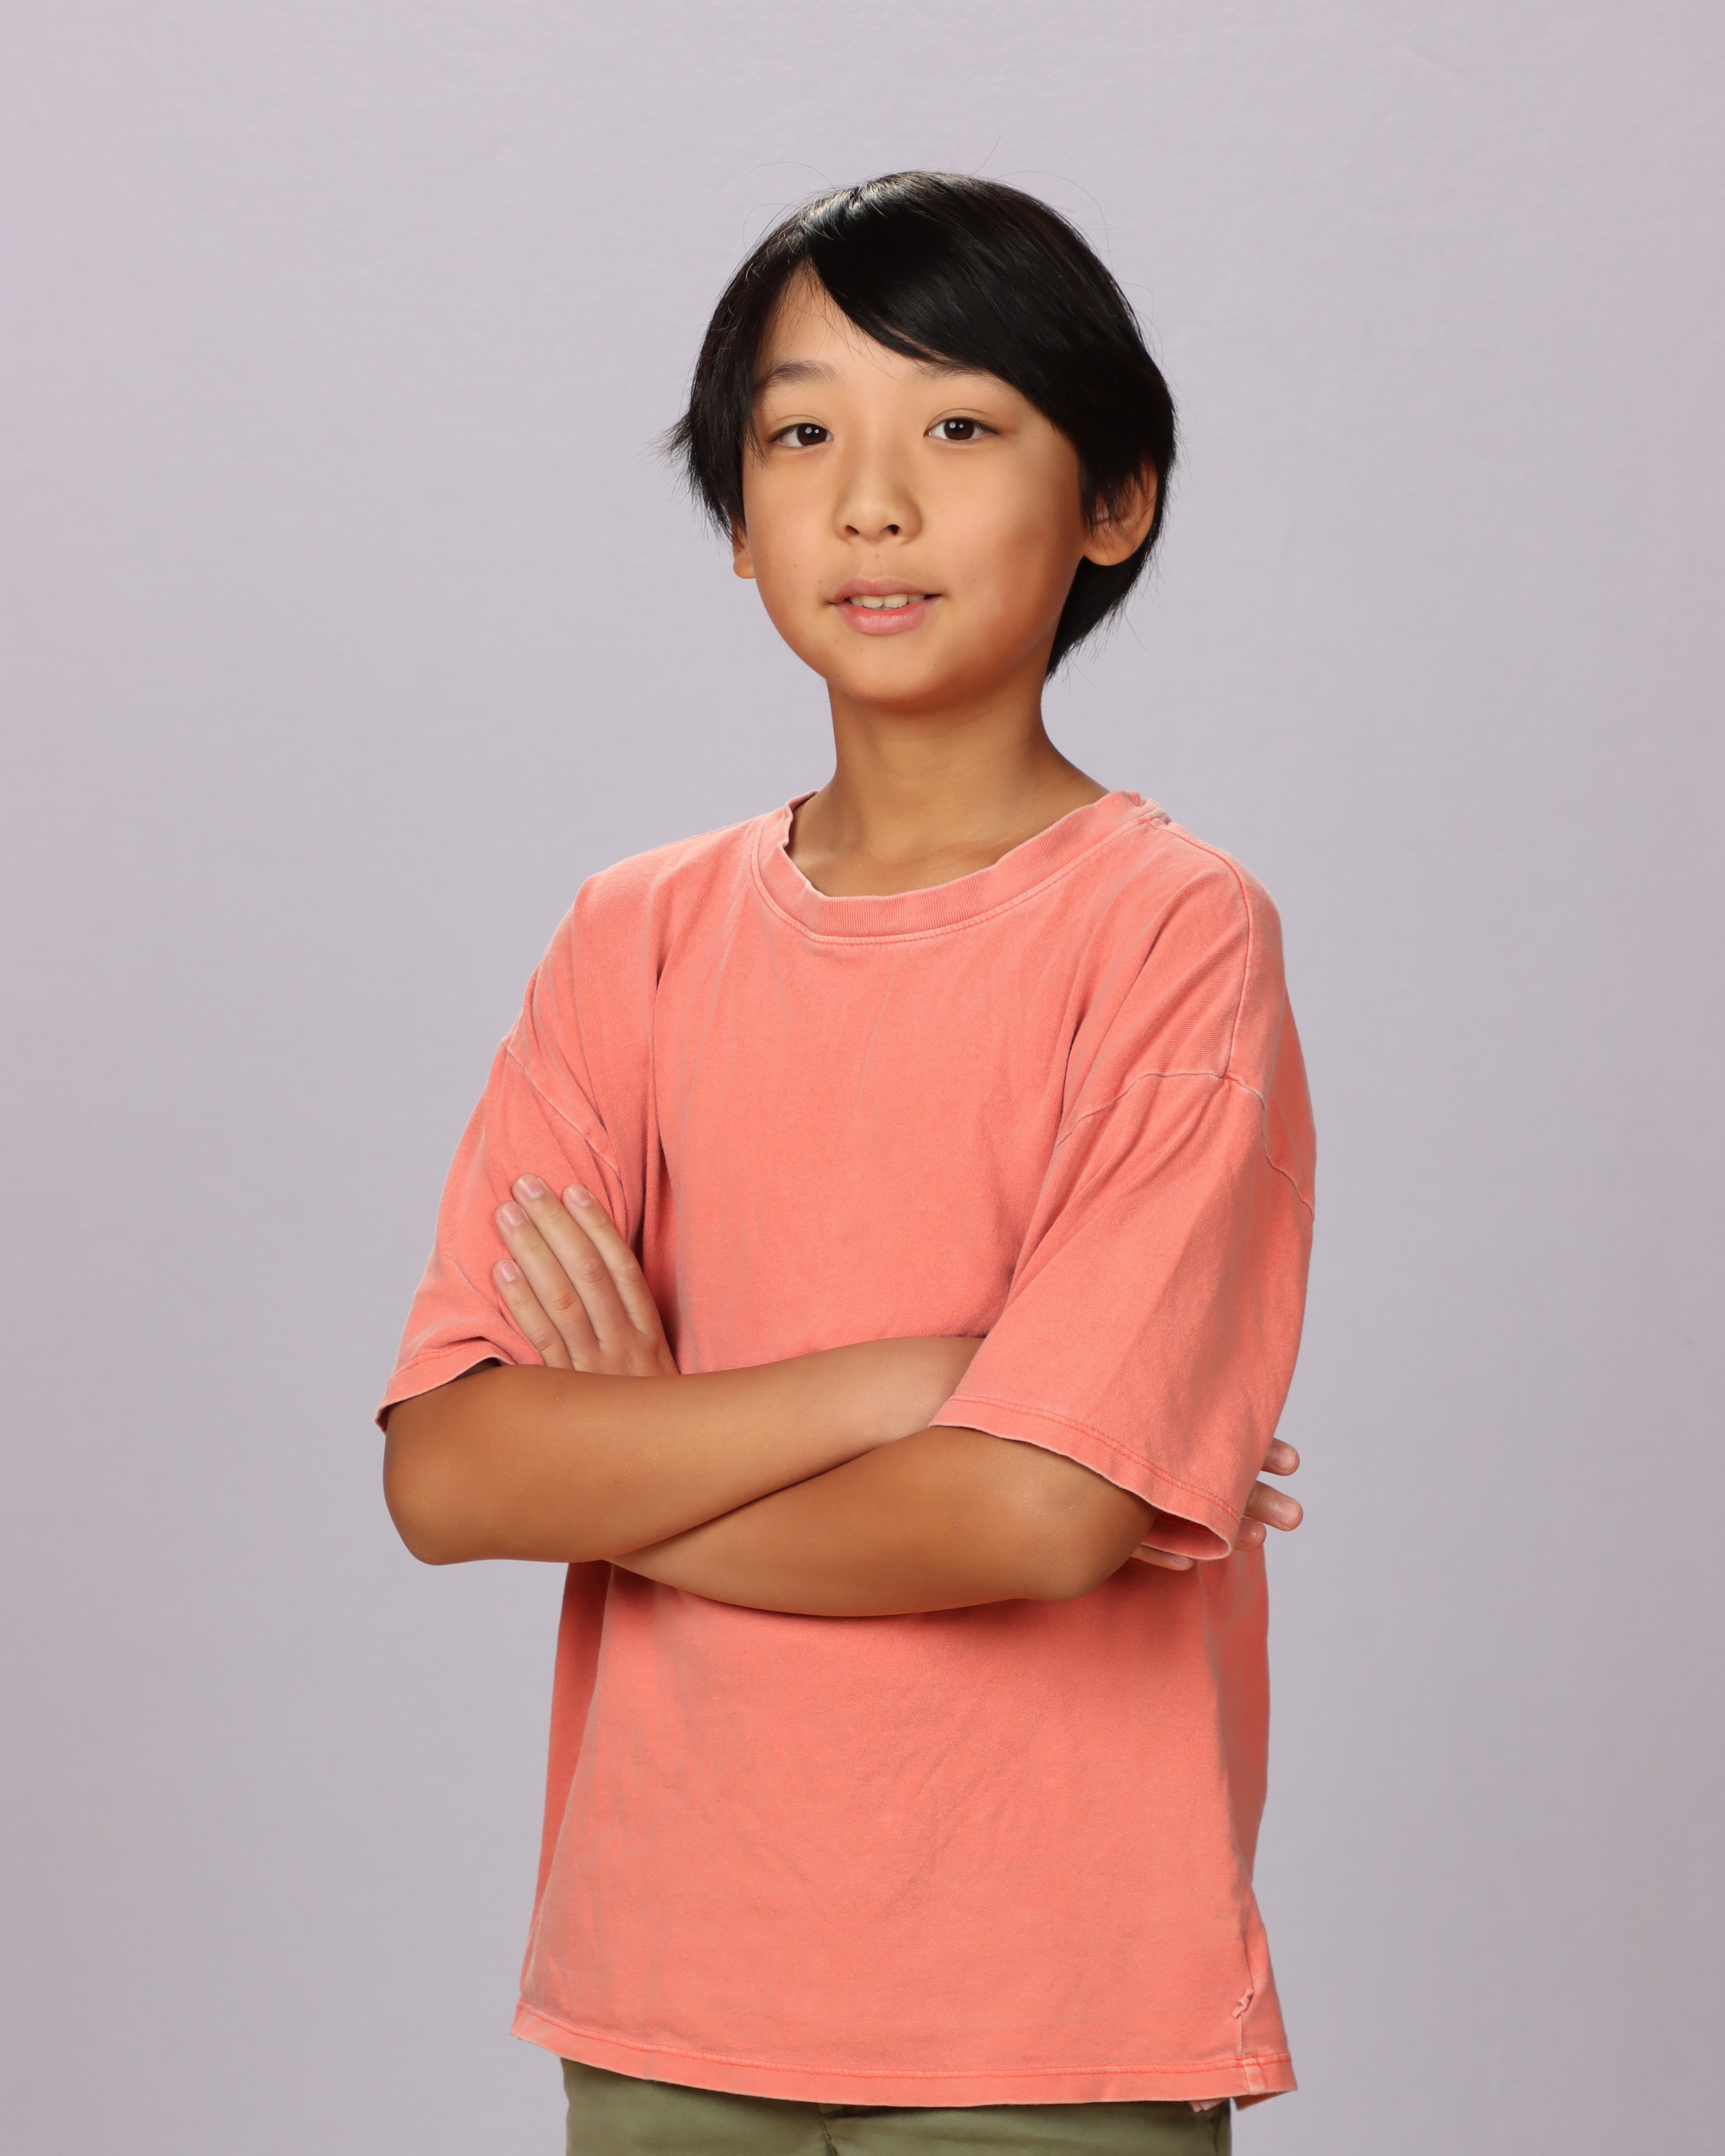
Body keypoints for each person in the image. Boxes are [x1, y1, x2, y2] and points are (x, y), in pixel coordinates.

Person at [378, 172, 1315, 2156]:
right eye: (801, 435)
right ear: (738, 515)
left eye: (959, 425)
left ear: (1114, 498)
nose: (871, 503)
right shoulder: (633, 938)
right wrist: (916, 1382)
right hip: (664, 1992)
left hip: (1047, 2021)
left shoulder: (1171, 933)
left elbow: (1038, 1518)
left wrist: (632, 1468)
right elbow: (451, 1477)